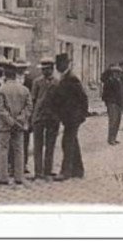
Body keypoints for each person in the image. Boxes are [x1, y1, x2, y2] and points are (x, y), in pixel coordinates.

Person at [0, 61, 32, 186]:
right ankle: (19, 176)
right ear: (15, 75)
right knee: (19, 149)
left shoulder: (1, 89)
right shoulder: (24, 89)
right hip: (19, 125)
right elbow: (29, 107)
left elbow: (1, 109)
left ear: (5, 75)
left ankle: (3, 176)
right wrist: (19, 120)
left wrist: (10, 121)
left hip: (4, 125)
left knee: (3, 149)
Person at [51, 53, 89, 181]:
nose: (57, 67)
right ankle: (78, 170)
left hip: (73, 117)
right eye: (56, 65)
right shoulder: (64, 77)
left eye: (59, 64)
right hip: (68, 117)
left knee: (66, 142)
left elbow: (83, 98)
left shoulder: (72, 78)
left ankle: (65, 171)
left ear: (66, 64)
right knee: (73, 142)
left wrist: (82, 114)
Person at [30, 58, 59, 180]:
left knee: (50, 145)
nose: (44, 71)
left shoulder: (57, 83)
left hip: (53, 117)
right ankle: (38, 172)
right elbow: (33, 100)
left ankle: (48, 170)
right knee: (38, 145)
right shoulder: (37, 82)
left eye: (47, 69)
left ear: (52, 69)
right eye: (43, 69)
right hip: (39, 117)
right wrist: (32, 116)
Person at [102, 65, 123, 145]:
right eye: (116, 73)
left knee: (117, 121)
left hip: (118, 103)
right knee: (113, 121)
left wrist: (122, 104)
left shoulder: (119, 81)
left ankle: (114, 138)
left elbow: (121, 94)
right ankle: (110, 139)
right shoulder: (109, 82)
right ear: (113, 73)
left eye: (119, 73)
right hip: (112, 103)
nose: (118, 74)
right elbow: (105, 94)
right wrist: (109, 102)